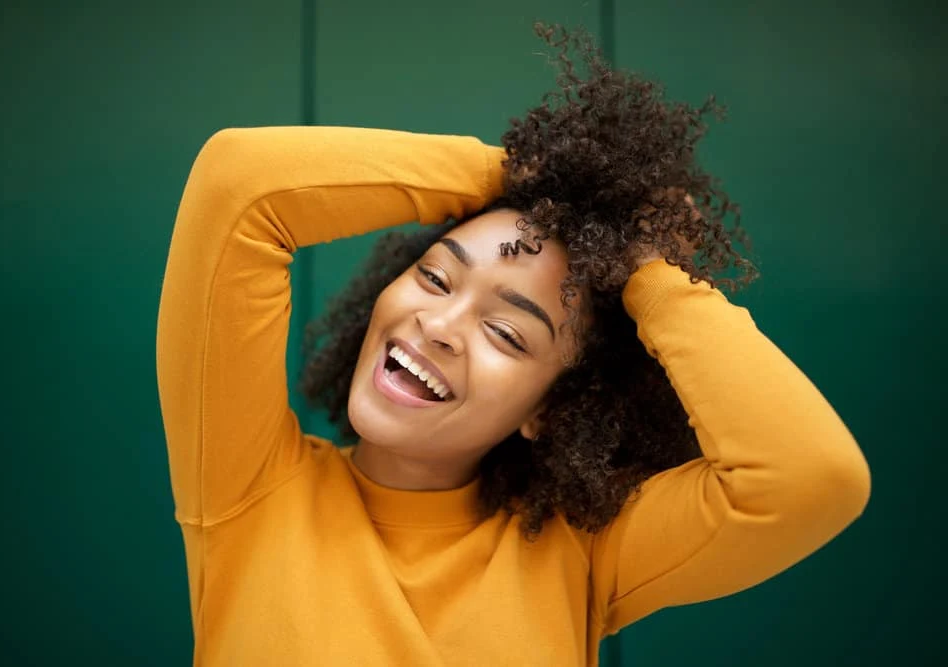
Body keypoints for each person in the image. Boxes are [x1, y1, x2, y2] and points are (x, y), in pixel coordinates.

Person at [156, 24, 871, 667]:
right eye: (435, 276)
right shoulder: (248, 487)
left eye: (505, 331)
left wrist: (649, 277)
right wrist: (530, 180)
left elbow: (812, 479)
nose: (439, 325)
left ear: (551, 410)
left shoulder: (583, 553)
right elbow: (238, 182)